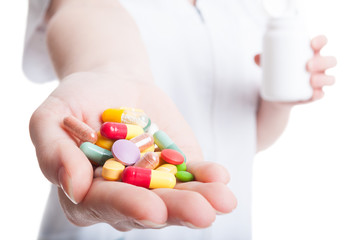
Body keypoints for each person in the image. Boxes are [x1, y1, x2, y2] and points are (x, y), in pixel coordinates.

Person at [23, 0, 337, 239]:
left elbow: (247, 137)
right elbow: (83, 9)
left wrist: (278, 102)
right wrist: (110, 70)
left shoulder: (254, 10)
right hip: (108, 224)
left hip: (226, 219)